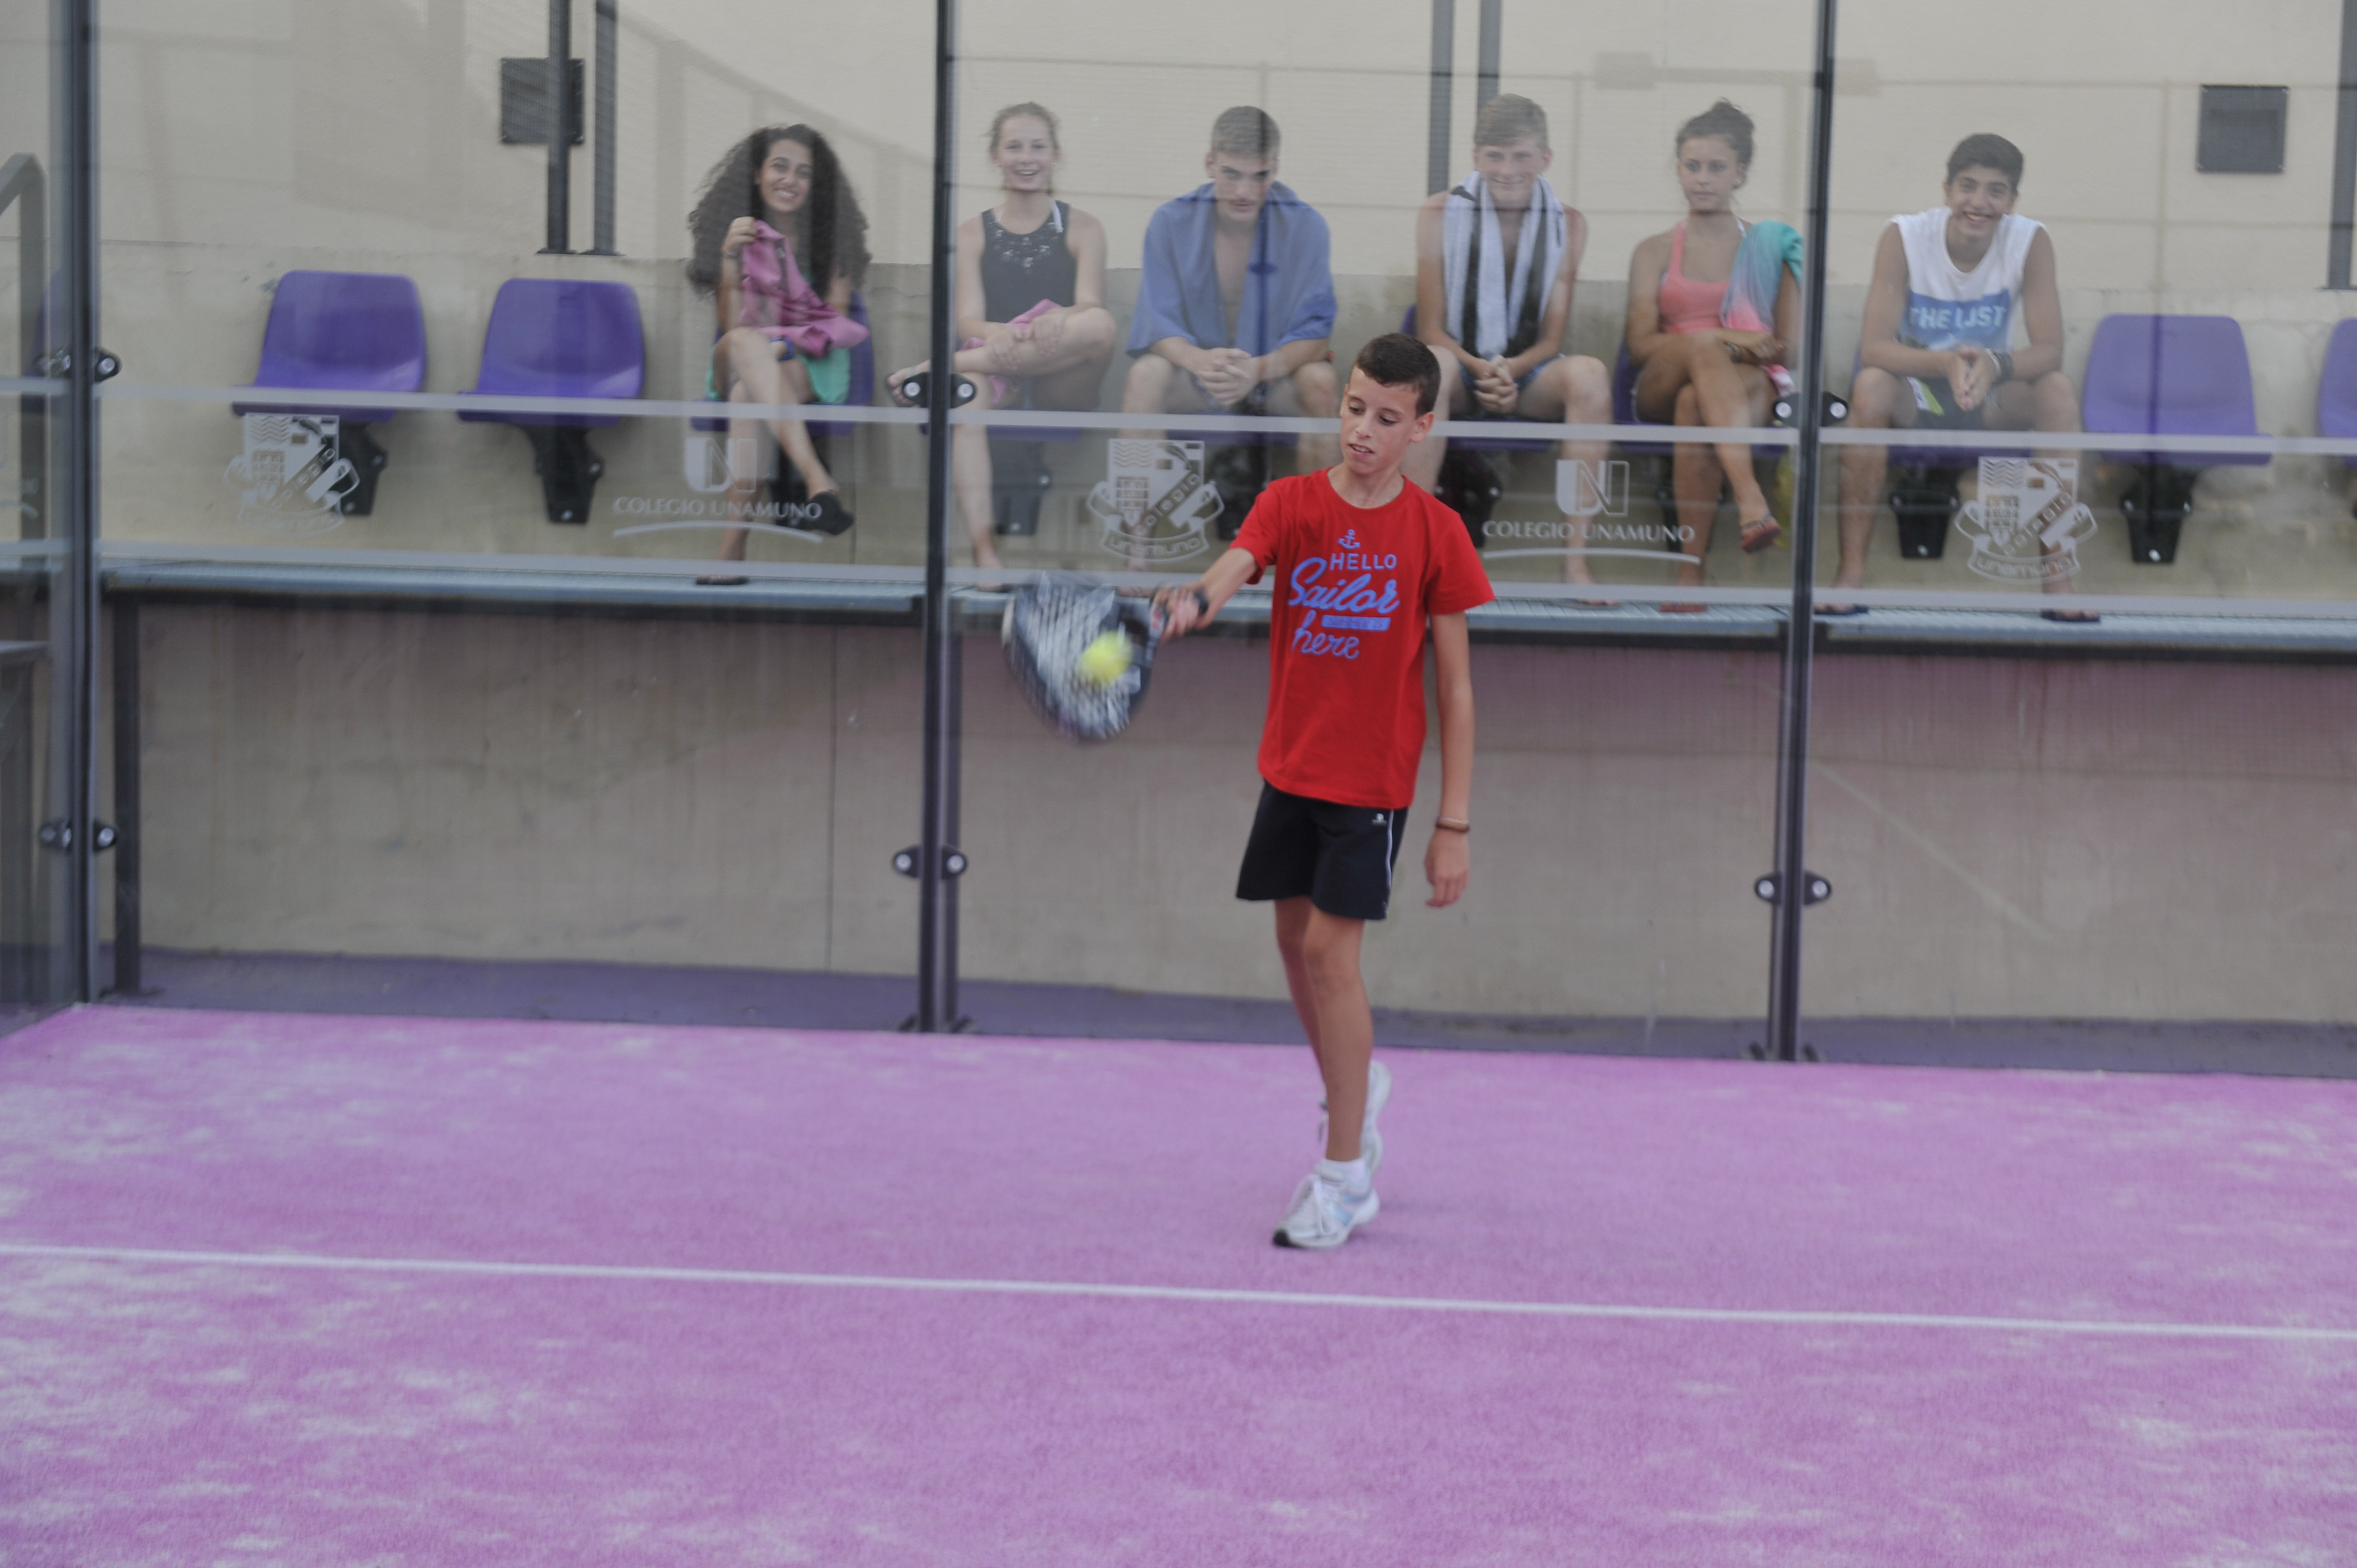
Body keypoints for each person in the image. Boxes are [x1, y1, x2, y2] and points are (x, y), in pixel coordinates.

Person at [1154, 334, 1491, 1250]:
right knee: (1293, 943)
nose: (1363, 431)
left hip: (1371, 783)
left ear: (1422, 427)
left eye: (1387, 418)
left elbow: (1456, 690)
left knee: (1331, 958)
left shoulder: (1436, 532)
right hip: (1290, 768)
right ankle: (1355, 1082)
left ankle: (1345, 1177)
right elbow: (1237, 563)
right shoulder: (1291, 504)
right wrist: (1197, 598)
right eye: (1353, 409)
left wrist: (1453, 822)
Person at [1830, 133, 2088, 619]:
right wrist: (1945, 364)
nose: (1979, 202)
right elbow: (1875, 347)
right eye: (1968, 186)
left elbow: (2051, 350)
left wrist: (1997, 365)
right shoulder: (1905, 236)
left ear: (2012, 200)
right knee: (1870, 388)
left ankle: (2058, 579)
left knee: (2058, 392)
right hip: (1919, 393)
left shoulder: (2030, 240)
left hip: (1988, 397)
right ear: (1947, 190)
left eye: (1996, 190)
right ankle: (1851, 573)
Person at [886, 103, 1118, 571]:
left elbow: (1090, 304)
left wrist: (1059, 317)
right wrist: (999, 333)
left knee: (1102, 324)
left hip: (1060, 378)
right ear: (995, 155)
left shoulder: (1085, 227)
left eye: (1038, 147)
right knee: (965, 403)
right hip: (997, 368)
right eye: (1014, 147)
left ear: (1056, 155)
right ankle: (985, 553)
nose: (1026, 158)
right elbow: (969, 321)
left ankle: (940, 368)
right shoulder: (972, 233)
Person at [1407, 94, 1615, 592]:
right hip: (1460, 367)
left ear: (1545, 158)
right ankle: (1412, 558)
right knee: (1431, 363)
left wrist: (1510, 373)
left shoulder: (1569, 223)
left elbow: (1552, 338)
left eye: (1521, 156)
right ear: (1476, 157)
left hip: (1530, 371)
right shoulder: (1438, 213)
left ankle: (1575, 563)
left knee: (1591, 376)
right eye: (1495, 156)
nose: (1507, 170)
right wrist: (1482, 371)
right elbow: (1430, 328)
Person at [1624, 100, 1800, 609]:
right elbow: (1640, 346)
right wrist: (1724, 337)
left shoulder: (1769, 248)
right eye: (1693, 166)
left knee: (1694, 405)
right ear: (1679, 170)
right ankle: (1750, 498)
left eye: (1717, 167)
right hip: (1663, 378)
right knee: (1703, 349)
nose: (1703, 179)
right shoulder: (1654, 250)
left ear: (1739, 172)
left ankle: (1691, 575)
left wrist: (1737, 347)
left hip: (1746, 381)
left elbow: (1787, 349)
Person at [1123, 106, 1341, 494]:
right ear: (1210, 164)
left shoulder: (1307, 227)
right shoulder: (1170, 223)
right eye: (1232, 174)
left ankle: (1317, 531)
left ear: (1275, 169)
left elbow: (1315, 336)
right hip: (1198, 377)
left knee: (1321, 382)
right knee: (1145, 376)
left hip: (1274, 379)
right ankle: (1138, 530)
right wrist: (1199, 361)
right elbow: (1156, 324)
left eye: (1260, 176)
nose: (1244, 192)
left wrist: (1258, 370)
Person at [685, 125, 873, 563]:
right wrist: (730, 257)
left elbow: (829, 328)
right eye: (780, 168)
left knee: (746, 394)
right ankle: (817, 479)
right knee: (745, 344)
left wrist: (778, 346)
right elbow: (731, 327)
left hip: (809, 361)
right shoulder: (741, 239)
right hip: (738, 355)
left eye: (803, 173)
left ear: (816, 185)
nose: (790, 180)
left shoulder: (833, 246)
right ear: (757, 174)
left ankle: (732, 549)